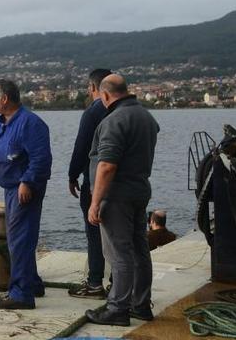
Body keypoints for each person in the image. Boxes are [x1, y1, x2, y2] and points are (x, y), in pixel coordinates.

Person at [85, 74, 159, 326]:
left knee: (118, 253)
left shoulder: (115, 120)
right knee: (139, 249)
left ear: (105, 95)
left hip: (117, 195)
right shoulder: (146, 117)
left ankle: (118, 308)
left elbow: (106, 165)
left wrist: (95, 202)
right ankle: (141, 304)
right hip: (140, 188)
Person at [0, 79, 52, 310]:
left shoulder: (31, 124)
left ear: (5, 99)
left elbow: (41, 159)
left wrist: (27, 182)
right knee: (18, 238)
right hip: (10, 188)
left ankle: (21, 295)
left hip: (23, 190)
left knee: (20, 240)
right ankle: (32, 283)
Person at [67, 69, 112, 300]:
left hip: (94, 182)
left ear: (93, 88)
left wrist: (72, 175)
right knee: (119, 236)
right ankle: (119, 284)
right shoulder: (124, 111)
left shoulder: (93, 112)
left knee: (94, 233)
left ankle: (95, 282)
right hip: (122, 183)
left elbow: (82, 147)